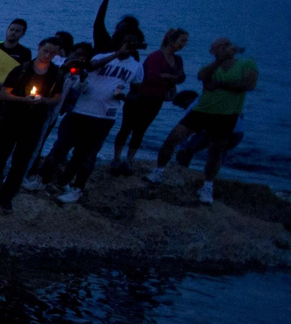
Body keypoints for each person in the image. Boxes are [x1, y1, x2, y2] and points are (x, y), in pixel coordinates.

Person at [147, 37, 256, 205]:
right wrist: (219, 63)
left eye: (218, 48)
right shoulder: (210, 67)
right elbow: (204, 78)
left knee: (215, 153)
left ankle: (207, 187)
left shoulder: (247, 64)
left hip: (226, 115)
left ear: (226, 47)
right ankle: (158, 171)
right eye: (214, 49)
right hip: (201, 111)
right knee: (173, 138)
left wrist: (220, 83)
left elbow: (248, 84)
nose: (215, 51)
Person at [42, 33, 143, 205]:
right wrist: (116, 55)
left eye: (132, 44)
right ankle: (43, 179)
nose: (127, 46)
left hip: (105, 115)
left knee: (86, 155)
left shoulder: (136, 66)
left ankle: (74, 186)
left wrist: (125, 97)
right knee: (60, 147)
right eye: (126, 42)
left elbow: (136, 92)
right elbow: (90, 67)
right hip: (80, 110)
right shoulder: (101, 57)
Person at [0, 40, 66, 211]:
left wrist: (43, 101)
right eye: (45, 51)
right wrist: (23, 100)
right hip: (11, 120)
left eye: (52, 53)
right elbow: (4, 94)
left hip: (34, 124)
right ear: (39, 48)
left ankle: (7, 196)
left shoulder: (56, 74)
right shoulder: (21, 69)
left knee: (21, 162)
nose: (47, 55)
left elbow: (57, 99)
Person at [112, 27, 187, 173]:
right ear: (172, 41)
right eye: (182, 41)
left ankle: (129, 159)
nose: (184, 44)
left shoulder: (177, 60)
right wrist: (170, 77)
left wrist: (166, 76)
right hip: (139, 97)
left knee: (140, 130)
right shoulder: (156, 56)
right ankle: (116, 158)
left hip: (156, 99)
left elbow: (181, 77)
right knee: (126, 128)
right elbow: (151, 76)